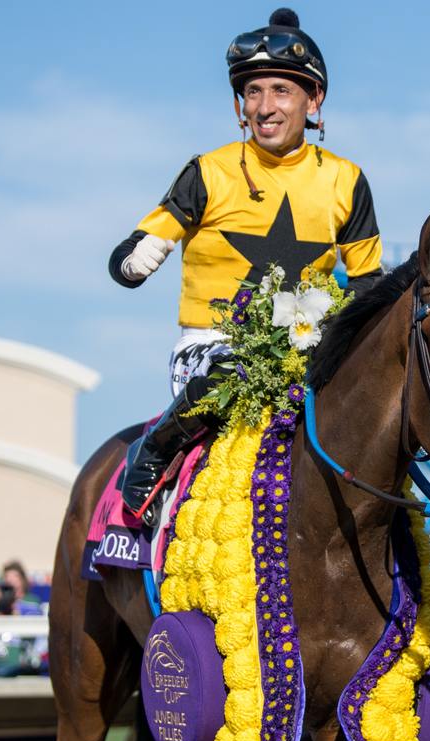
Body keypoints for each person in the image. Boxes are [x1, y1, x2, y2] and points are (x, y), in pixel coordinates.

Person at [108, 8, 384, 521]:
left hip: (305, 344)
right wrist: (138, 256)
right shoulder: (208, 171)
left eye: (281, 89)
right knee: (232, 368)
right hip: (212, 346)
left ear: (314, 99)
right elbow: (140, 243)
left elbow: (368, 284)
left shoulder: (347, 181)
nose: (264, 106)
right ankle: (154, 450)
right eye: (252, 92)